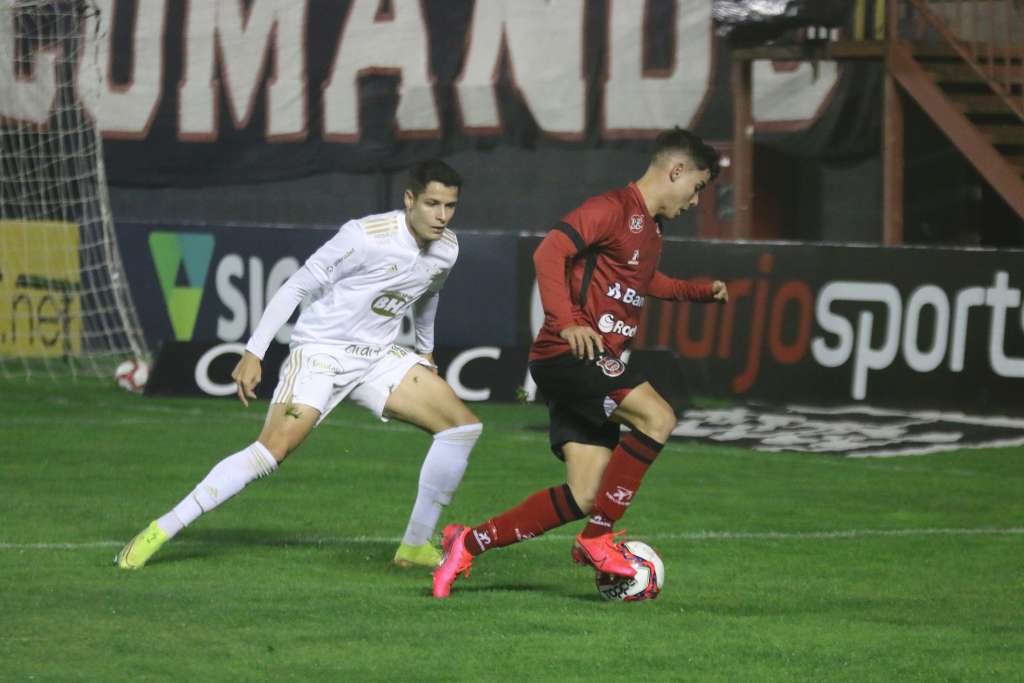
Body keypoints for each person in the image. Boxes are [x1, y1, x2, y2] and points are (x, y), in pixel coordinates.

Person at [115, 159, 482, 571]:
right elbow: (298, 285)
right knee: (272, 452)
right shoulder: (365, 236)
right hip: (322, 351)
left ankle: (415, 546)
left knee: (462, 427)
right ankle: (161, 529)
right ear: (409, 199)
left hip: (378, 357)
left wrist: (425, 350)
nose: (442, 216)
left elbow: (429, 294)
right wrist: (254, 351)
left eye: (450, 206)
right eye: (432, 204)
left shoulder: (447, 248)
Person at [433, 128, 728, 598]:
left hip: (587, 363)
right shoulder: (611, 208)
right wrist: (566, 320)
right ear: (676, 171)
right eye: (696, 188)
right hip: (569, 353)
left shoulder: (651, 230)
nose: (695, 202)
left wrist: (698, 293)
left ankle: (467, 543)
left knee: (587, 495)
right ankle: (597, 539)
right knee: (658, 416)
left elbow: (648, 282)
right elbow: (549, 250)